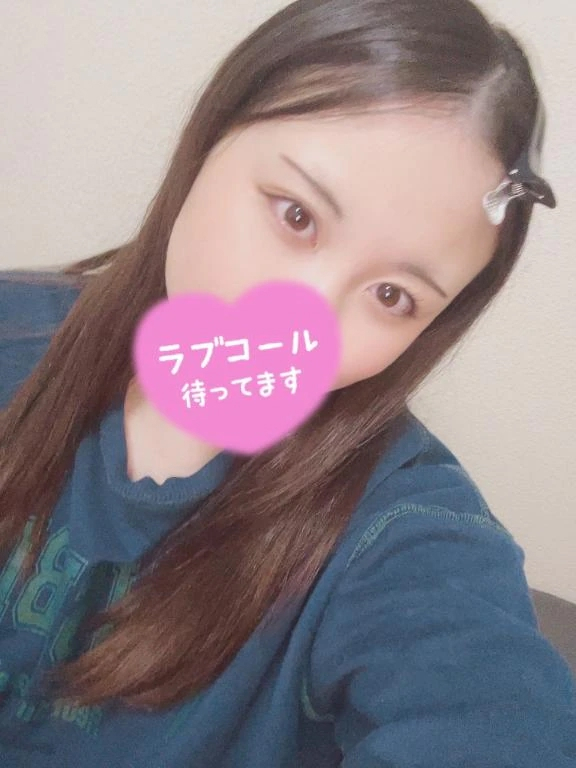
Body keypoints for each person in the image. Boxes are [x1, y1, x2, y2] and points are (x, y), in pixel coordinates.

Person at [0, 0, 575, 765]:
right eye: (297, 216)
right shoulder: (14, 330)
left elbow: (493, 714)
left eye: (392, 295)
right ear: (210, 137)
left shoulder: (402, 529)